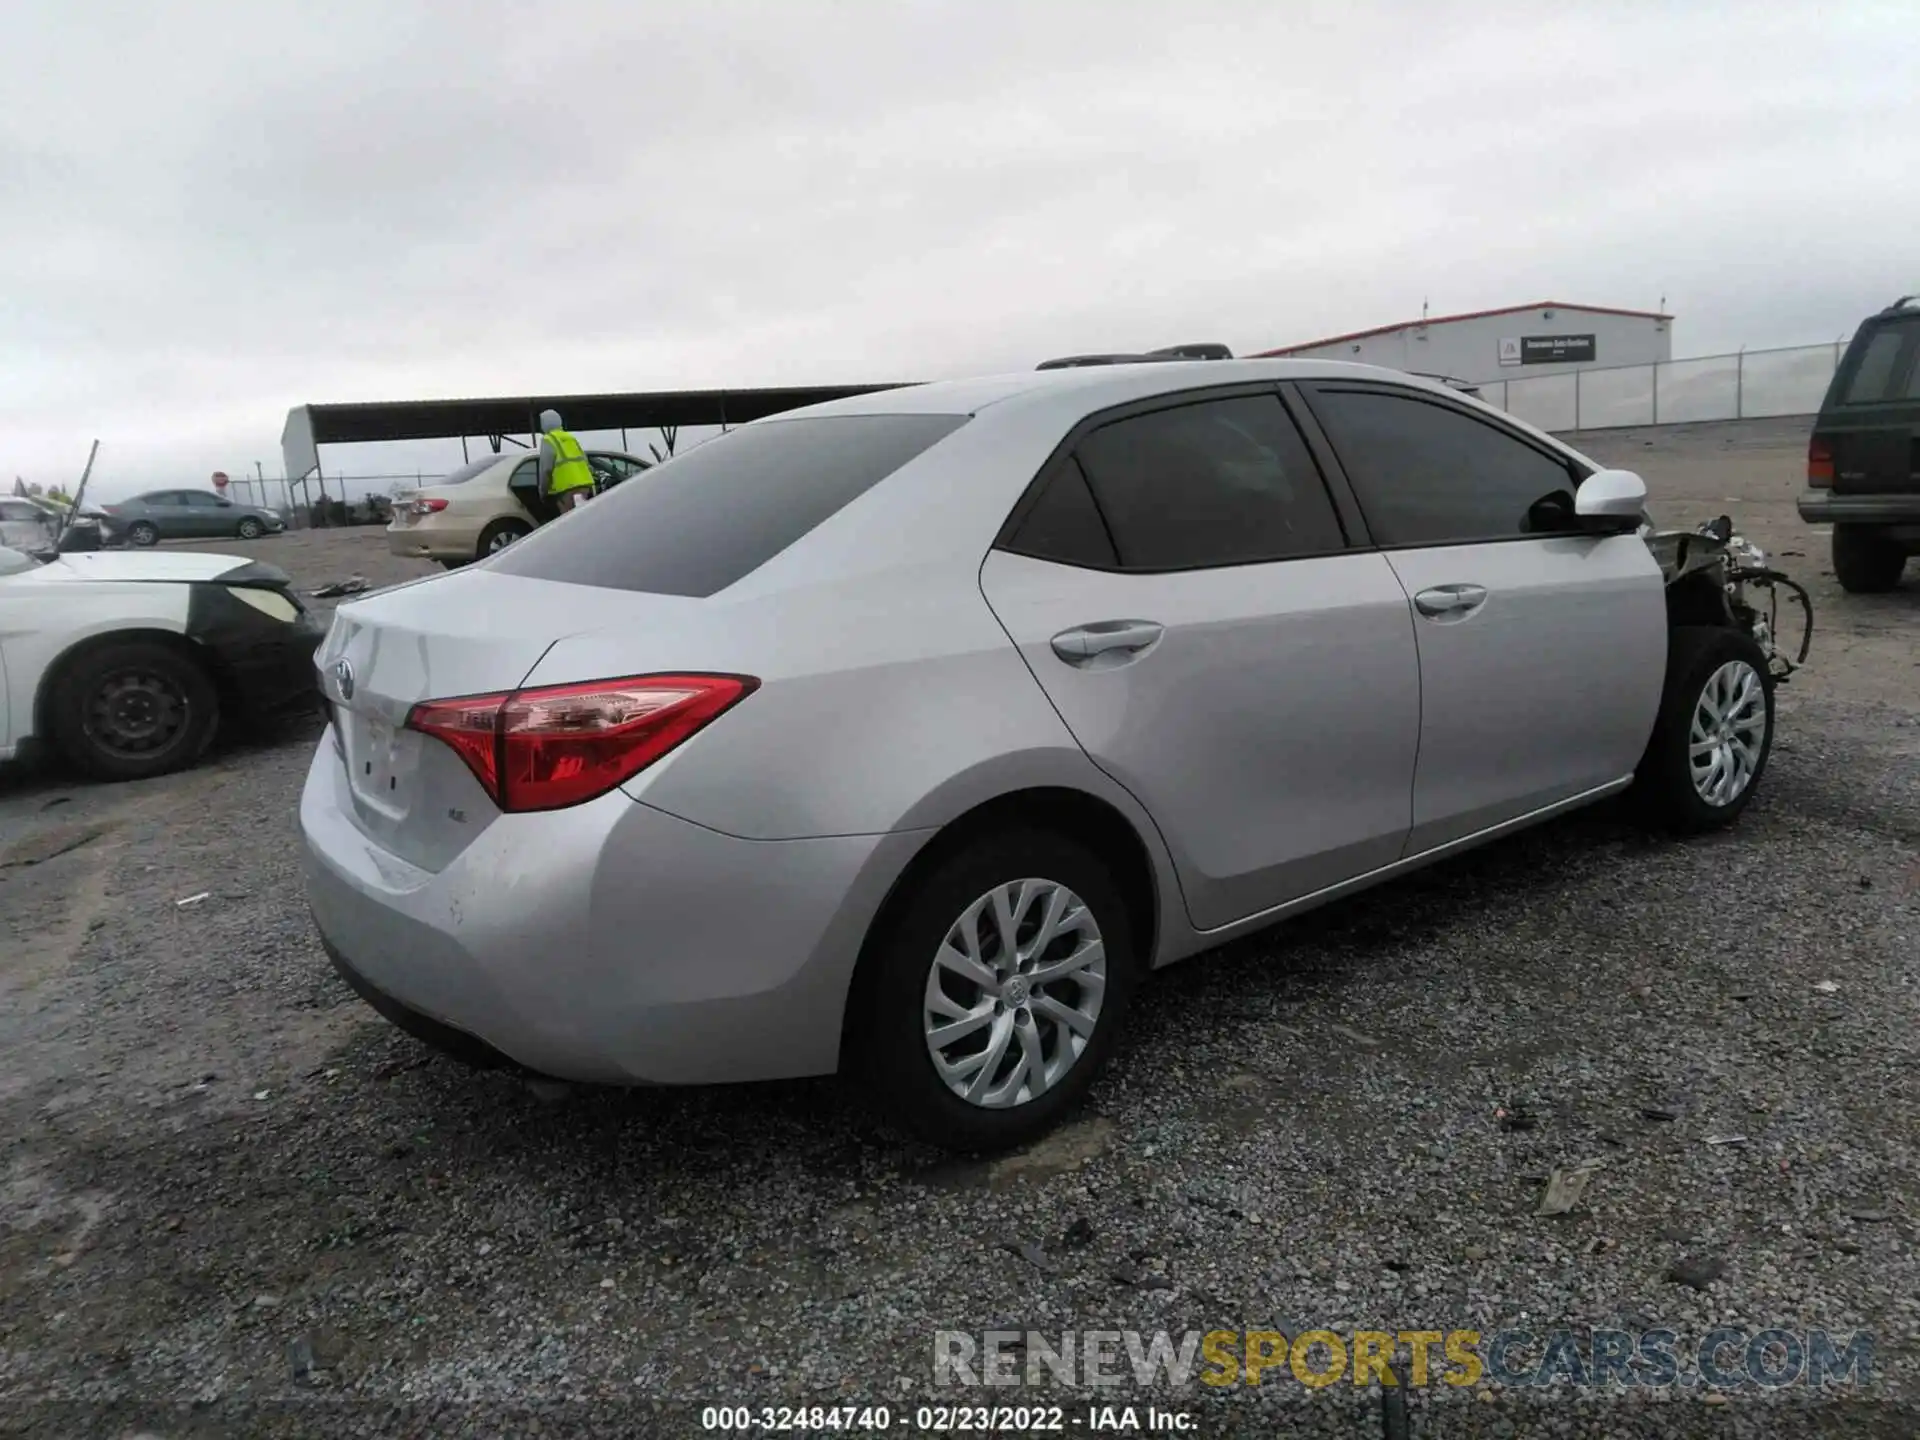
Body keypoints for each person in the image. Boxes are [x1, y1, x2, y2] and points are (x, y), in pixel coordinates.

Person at [537, 409, 597, 514]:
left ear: (544, 424)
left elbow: (546, 469)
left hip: (566, 490)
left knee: (569, 520)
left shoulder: (547, 439)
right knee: (584, 516)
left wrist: (543, 491)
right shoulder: (570, 437)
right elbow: (586, 462)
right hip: (584, 486)